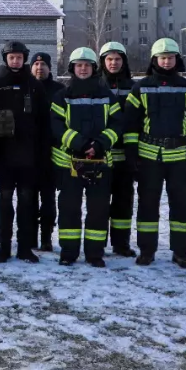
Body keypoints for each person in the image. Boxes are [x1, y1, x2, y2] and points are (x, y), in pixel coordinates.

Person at [124, 38, 186, 269]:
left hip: (180, 157)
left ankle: (181, 252)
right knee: (147, 205)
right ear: (155, 60)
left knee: (182, 205)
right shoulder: (140, 87)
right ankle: (146, 251)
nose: (167, 61)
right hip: (149, 157)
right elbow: (130, 124)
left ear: (177, 59)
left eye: (170, 57)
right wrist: (131, 154)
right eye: (163, 58)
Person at [50, 48, 121, 267]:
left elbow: (118, 123)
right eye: (79, 65)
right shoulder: (62, 96)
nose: (83, 68)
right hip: (69, 163)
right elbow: (56, 126)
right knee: (69, 209)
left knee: (98, 209)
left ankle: (94, 253)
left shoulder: (107, 96)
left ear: (93, 68)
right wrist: (80, 144)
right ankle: (68, 253)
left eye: (87, 65)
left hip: (99, 162)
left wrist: (99, 144)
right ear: (72, 68)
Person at [0, 41, 50, 263]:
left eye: (19, 57)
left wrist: (42, 153)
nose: (15, 61)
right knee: (5, 202)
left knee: (26, 203)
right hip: (4, 156)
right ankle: (4, 247)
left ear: (24, 59)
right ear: (6, 59)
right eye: (12, 57)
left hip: (29, 155)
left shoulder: (34, 86)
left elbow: (44, 123)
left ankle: (24, 248)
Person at [99, 42, 137, 257]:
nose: (114, 63)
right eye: (109, 59)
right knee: (100, 202)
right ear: (102, 62)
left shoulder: (134, 87)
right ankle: (99, 242)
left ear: (124, 62)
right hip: (101, 156)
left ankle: (121, 243)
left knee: (123, 202)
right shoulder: (95, 86)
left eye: (118, 59)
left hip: (125, 156)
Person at [30, 51, 65, 252]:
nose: (39, 67)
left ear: (50, 68)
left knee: (49, 199)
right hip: (28, 153)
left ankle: (46, 237)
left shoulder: (59, 91)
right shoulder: (25, 88)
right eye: (36, 64)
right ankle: (30, 236)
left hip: (52, 154)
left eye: (43, 64)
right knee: (29, 199)